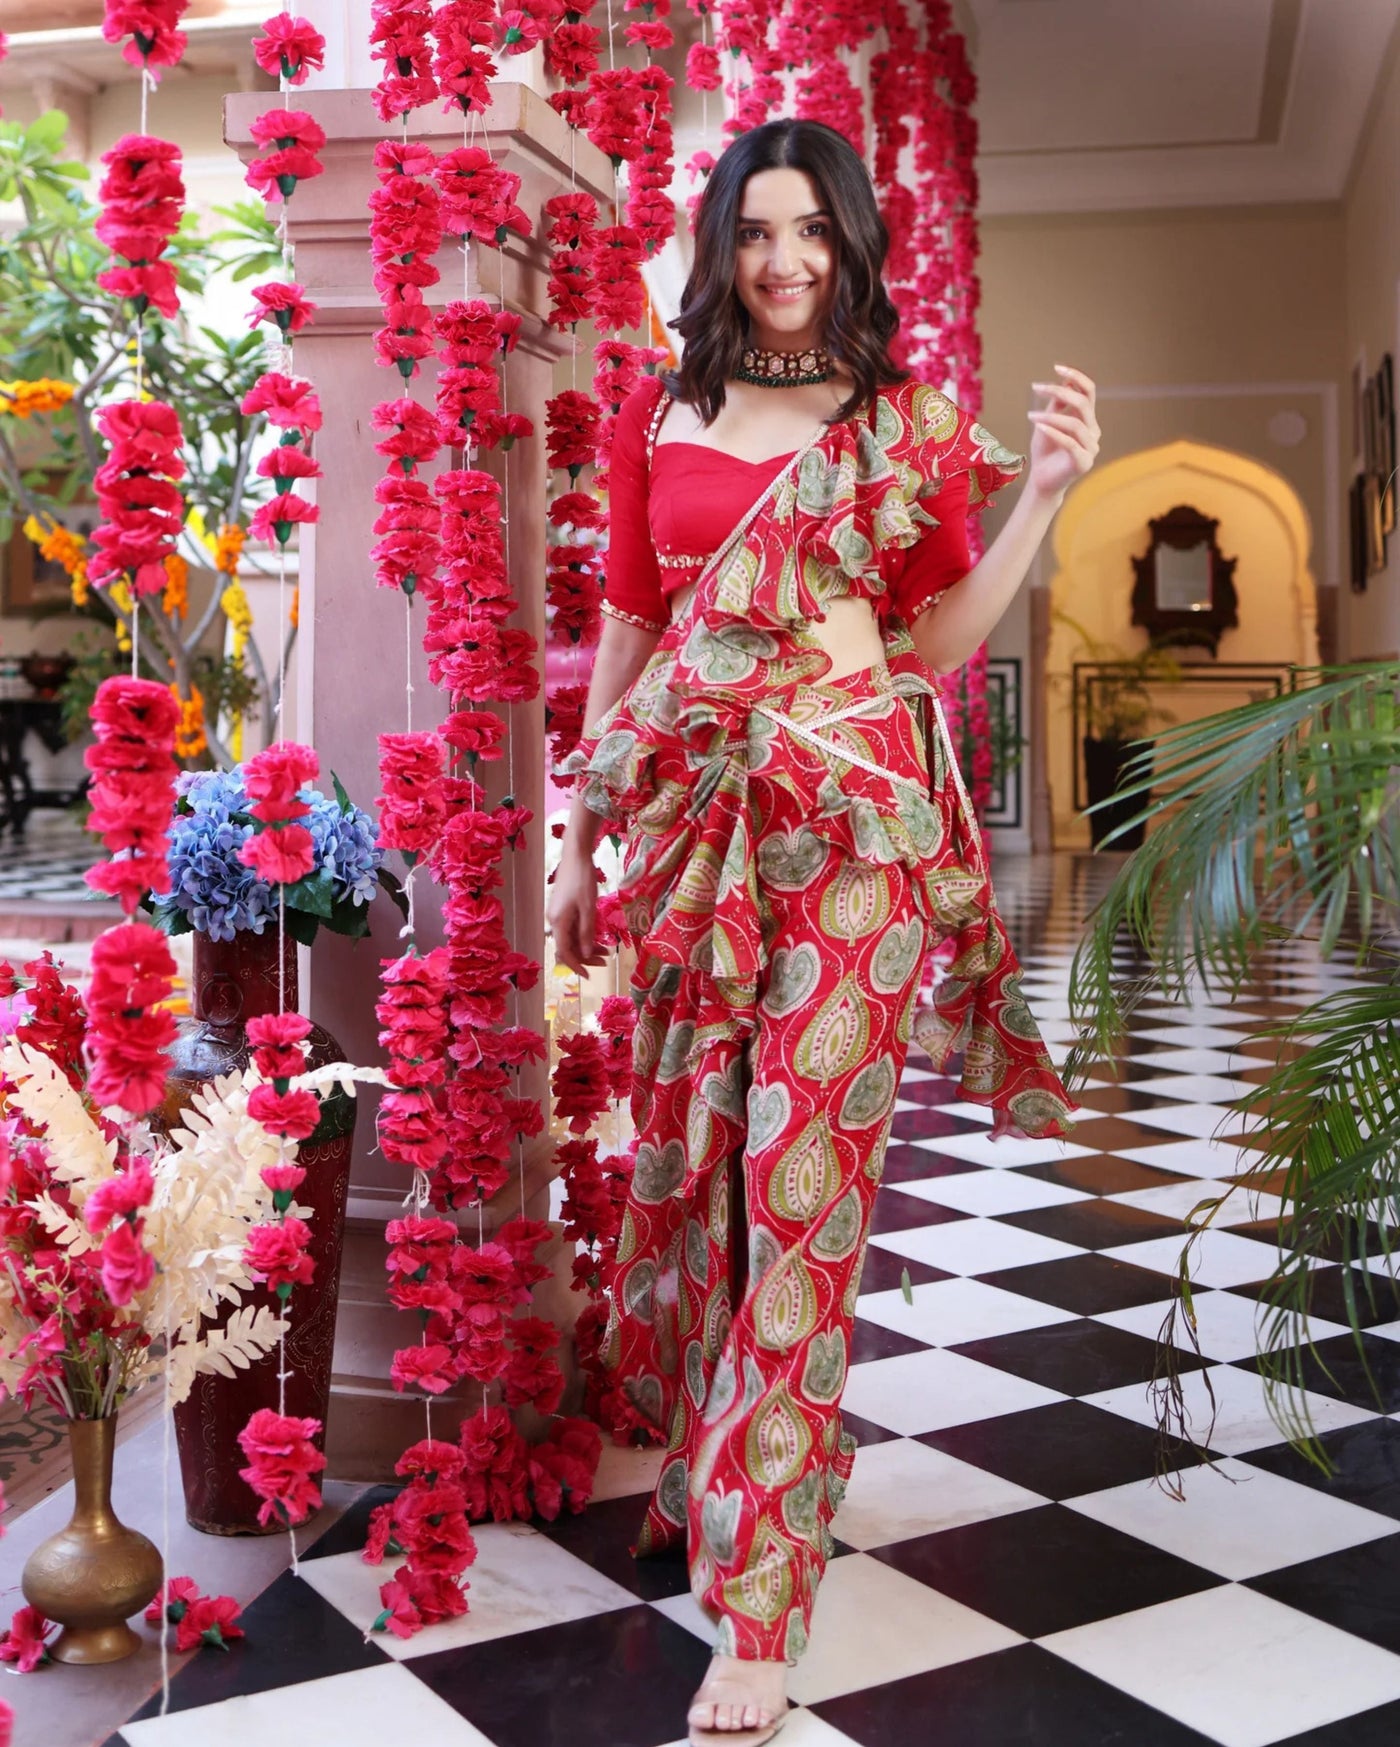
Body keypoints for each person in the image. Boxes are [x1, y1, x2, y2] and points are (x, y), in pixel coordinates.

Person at [548, 117, 1100, 1747]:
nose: (784, 262)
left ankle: (764, 1600)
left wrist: (1044, 497)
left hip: (853, 822)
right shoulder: (669, 417)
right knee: (704, 1168)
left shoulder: (904, 427)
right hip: (694, 829)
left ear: (854, 247)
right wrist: (585, 830)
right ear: (721, 245)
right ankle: (731, 1469)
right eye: (756, 231)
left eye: (813, 233)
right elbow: (632, 629)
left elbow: (932, 640)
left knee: (803, 1182)